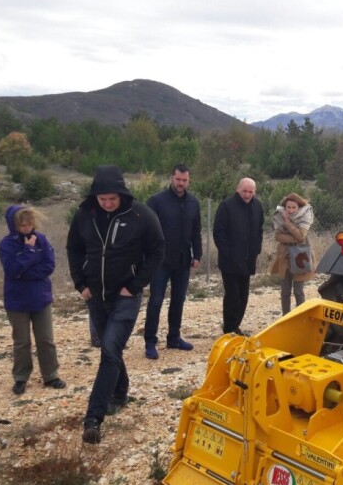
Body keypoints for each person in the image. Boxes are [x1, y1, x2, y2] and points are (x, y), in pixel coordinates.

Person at [66, 165, 164, 444]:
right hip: (95, 295)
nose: (108, 203)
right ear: (95, 196)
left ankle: (93, 419)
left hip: (126, 296)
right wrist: (80, 284)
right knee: (111, 349)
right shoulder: (85, 215)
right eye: (103, 199)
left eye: (112, 198)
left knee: (109, 350)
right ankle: (120, 391)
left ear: (122, 194)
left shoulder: (140, 215)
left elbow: (157, 250)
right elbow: (74, 249)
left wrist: (134, 285)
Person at [0, 205, 65, 395]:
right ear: (14, 225)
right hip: (17, 300)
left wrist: (25, 274)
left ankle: (51, 375)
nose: (27, 228)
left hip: (41, 297)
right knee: (21, 342)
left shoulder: (41, 239)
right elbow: (12, 270)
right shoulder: (7, 244)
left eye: (29, 224)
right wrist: (28, 250)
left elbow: (49, 266)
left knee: (46, 339)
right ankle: (21, 378)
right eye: (22, 225)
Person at [143, 163, 202, 360]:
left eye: (184, 180)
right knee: (156, 301)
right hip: (160, 261)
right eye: (178, 179)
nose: (181, 183)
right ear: (171, 178)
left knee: (178, 300)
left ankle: (174, 338)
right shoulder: (156, 201)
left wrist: (197, 255)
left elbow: (196, 231)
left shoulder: (193, 202)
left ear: (189, 180)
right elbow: (146, 231)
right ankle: (150, 341)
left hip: (183, 260)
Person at [213, 178, 263, 335]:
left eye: (250, 192)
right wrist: (228, 253)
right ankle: (229, 329)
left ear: (254, 192)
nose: (247, 194)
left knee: (243, 296)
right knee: (232, 296)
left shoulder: (257, 206)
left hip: (248, 261)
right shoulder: (227, 205)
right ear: (238, 189)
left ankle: (236, 326)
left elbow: (259, 229)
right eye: (244, 191)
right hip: (230, 262)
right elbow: (218, 232)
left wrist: (257, 249)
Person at [270, 193, 315, 315]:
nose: (290, 210)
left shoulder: (305, 216)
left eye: (293, 207)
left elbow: (301, 235)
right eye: (288, 207)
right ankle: (286, 317)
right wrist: (296, 238)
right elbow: (278, 236)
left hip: (300, 257)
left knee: (298, 292)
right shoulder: (280, 216)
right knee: (285, 292)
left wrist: (288, 224)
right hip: (284, 258)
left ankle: (301, 317)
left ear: (298, 207)